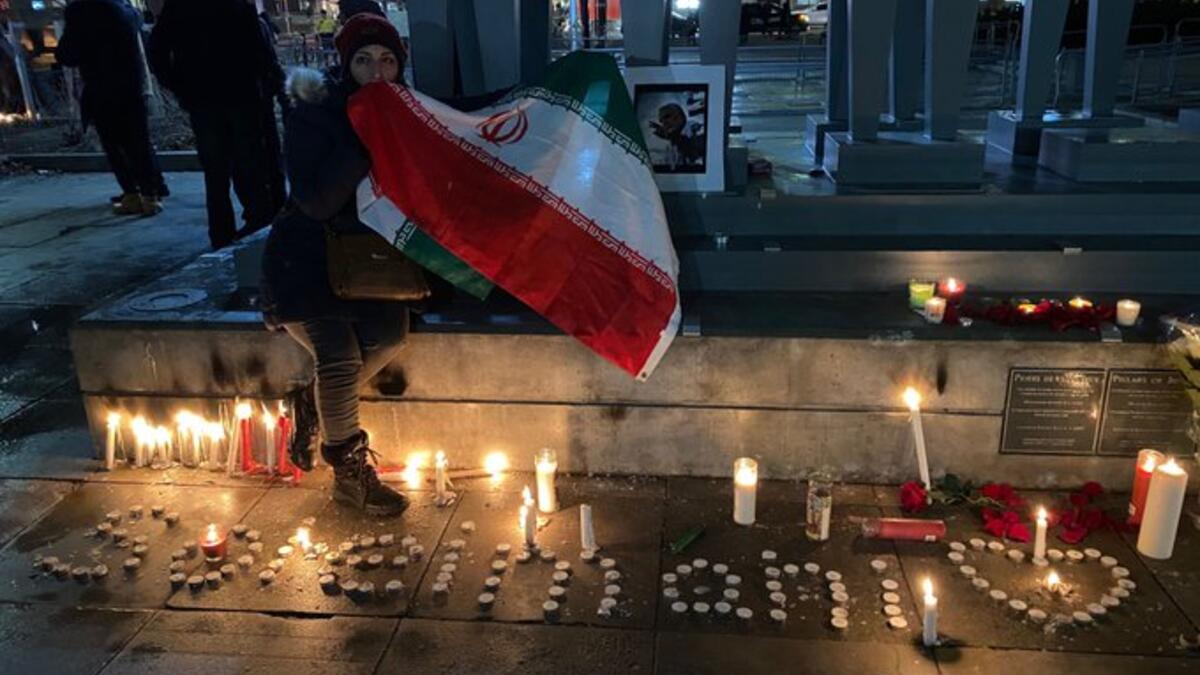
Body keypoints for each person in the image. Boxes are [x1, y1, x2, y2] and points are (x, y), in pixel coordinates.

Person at [260, 14, 418, 517]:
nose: (377, 72)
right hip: (303, 259)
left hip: (366, 261)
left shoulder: (408, 112)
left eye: (388, 61)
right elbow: (317, 201)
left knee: (392, 334)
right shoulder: (313, 110)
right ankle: (349, 473)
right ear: (344, 63)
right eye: (364, 60)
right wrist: (366, 137)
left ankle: (316, 403)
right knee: (339, 357)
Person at [148, 0, 283, 249]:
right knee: (252, 165)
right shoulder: (237, 6)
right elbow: (259, 50)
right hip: (242, 96)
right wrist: (269, 83)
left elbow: (157, 51)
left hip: (204, 100)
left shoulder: (178, 8)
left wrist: (179, 86)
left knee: (216, 173)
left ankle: (222, 234)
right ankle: (260, 227)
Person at [57, 0, 166, 216]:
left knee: (114, 144)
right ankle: (150, 192)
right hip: (130, 85)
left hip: (100, 86)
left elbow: (67, 54)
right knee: (138, 140)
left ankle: (132, 193)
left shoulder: (79, 11)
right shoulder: (125, 10)